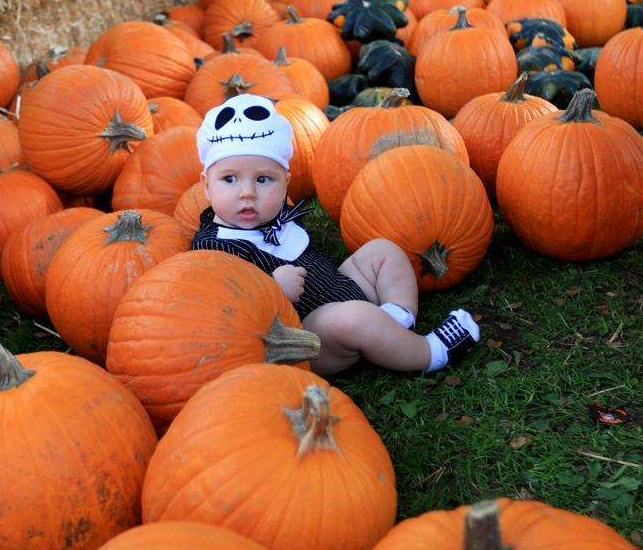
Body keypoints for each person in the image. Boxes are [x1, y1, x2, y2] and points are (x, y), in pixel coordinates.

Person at [192, 94, 480, 376]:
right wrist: (275, 290)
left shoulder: (277, 216)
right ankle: (430, 353)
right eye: (229, 179)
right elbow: (230, 312)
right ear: (206, 185)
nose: (247, 192)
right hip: (307, 334)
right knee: (354, 318)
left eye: (263, 179)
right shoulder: (214, 247)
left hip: (338, 289)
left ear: (285, 185)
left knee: (383, 251)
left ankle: (396, 319)